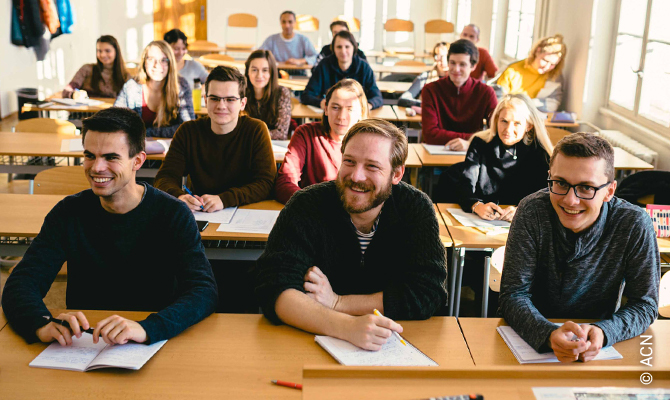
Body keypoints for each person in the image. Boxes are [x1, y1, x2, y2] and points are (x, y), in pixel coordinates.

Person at [1, 107, 218, 346]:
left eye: (111, 157)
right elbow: (22, 282)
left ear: (138, 161)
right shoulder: (68, 213)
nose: (96, 167)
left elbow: (203, 291)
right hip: (84, 344)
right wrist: (39, 323)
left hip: (152, 342)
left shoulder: (172, 214)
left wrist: (147, 328)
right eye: (90, 155)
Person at [256, 118, 448, 351]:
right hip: (307, 344)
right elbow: (273, 289)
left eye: (372, 166)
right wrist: (347, 327)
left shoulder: (416, 208)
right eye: (349, 161)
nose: (356, 176)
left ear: (396, 174)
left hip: (397, 346)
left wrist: (338, 302)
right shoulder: (306, 205)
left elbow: (428, 294)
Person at [499, 132, 660, 362]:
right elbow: (513, 295)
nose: (570, 200)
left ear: (609, 191)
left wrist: (605, 331)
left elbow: (645, 305)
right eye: (560, 183)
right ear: (549, 177)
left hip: (599, 347)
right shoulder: (531, 211)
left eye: (586, 188)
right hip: (527, 342)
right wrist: (547, 333)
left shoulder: (634, 224)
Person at [154, 66, 276, 212]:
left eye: (230, 99)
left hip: (245, 212)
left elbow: (266, 183)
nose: (221, 106)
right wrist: (179, 197)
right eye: (214, 98)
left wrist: (224, 199)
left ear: (242, 103)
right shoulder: (188, 132)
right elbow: (164, 177)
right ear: (205, 100)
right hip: (201, 213)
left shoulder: (256, 130)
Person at [441, 94, 553, 222]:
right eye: (504, 121)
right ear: (496, 120)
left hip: (519, 224)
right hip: (480, 221)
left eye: (517, 123)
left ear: (529, 126)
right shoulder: (480, 143)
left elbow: (546, 197)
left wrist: (520, 210)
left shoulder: (540, 153)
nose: (508, 129)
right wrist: (477, 206)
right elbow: (465, 184)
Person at [275, 79, 369, 204]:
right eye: (335, 107)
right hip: (311, 211)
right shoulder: (305, 134)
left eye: (350, 109)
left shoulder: (370, 144)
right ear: (326, 109)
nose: (341, 116)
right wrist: (312, 205)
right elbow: (285, 182)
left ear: (361, 113)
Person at [421, 39, 498, 149]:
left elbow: (495, 132)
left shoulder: (486, 92)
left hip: (472, 152)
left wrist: (469, 143)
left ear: (473, 66)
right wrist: (475, 138)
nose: (456, 69)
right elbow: (430, 134)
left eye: (462, 64)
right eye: (452, 63)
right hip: (436, 153)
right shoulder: (430, 90)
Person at [115, 40, 194, 138]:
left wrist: (148, 132)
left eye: (164, 60)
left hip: (171, 149)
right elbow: (115, 119)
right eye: (151, 59)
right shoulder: (132, 86)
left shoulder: (181, 85)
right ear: (144, 62)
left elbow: (188, 126)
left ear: (170, 64)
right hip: (136, 148)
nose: (157, 65)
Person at [301, 30, 383, 110]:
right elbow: (306, 95)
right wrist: (320, 102)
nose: (343, 51)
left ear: (354, 48)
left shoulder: (364, 67)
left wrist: (368, 105)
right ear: (333, 49)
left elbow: (377, 97)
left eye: (347, 47)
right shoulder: (324, 65)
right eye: (339, 47)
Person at [496, 34, 566, 112]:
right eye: (545, 60)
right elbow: (499, 100)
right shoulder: (513, 70)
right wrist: (531, 104)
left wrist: (516, 104)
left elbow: (551, 106)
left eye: (553, 64)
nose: (547, 67)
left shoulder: (554, 77)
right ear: (537, 51)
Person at [244, 50, 292, 140]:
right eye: (254, 70)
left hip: (272, 146)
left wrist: (251, 134)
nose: (259, 75)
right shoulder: (240, 93)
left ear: (271, 73)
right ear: (247, 72)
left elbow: (281, 133)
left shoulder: (282, 93)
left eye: (265, 70)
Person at [62, 35, 129, 98]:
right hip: (86, 110)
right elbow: (67, 90)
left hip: (111, 110)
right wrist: (74, 95)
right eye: (99, 51)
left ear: (116, 52)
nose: (102, 55)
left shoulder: (125, 76)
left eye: (107, 51)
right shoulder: (87, 69)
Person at [259, 11, 317, 75]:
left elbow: (315, 57)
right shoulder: (271, 39)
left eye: (290, 22)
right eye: (284, 22)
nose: (287, 25)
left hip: (299, 74)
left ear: (295, 23)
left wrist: (299, 61)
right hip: (276, 74)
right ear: (280, 23)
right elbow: (260, 54)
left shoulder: (303, 40)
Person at [397, 42, 448, 114]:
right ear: (434, 58)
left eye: (446, 56)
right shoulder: (425, 77)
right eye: (438, 56)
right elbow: (403, 100)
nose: (443, 60)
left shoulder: (456, 80)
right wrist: (425, 104)